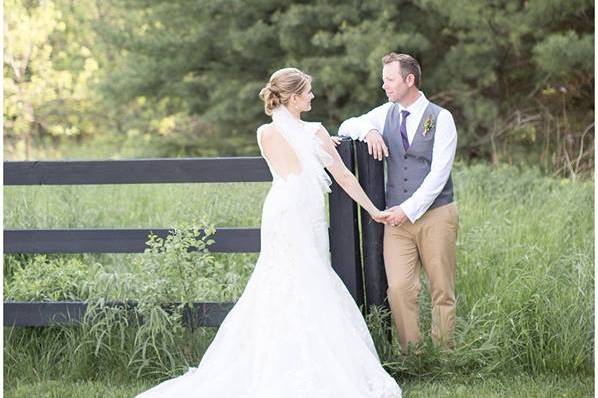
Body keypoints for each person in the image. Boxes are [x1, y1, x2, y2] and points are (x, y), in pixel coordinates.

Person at [134, 67, 402, 397]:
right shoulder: (315, 133)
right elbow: (344, 179)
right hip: (303, 212)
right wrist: (373, 210)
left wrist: (320, 143)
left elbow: (292, 156)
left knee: (278, 279)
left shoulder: (265, 133)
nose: (313, 97)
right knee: (310, 278)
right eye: (307, 92)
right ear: (292, 98)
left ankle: (274, 359)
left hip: (279, 210)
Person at [336, 53, 459, 354]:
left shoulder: (441, 118)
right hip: (398, 222)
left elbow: (439, 174)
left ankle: (445, 356)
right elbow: (346, 125)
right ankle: (412, 357)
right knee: (400, 289)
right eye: (383, 79)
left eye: (389, 79)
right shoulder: (385, 113)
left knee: (442, 289)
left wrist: (409, 209)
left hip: (436, 214)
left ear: (409, 80)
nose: (384, 85)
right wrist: (370, 131)